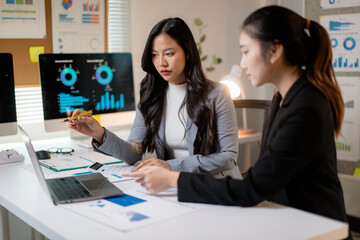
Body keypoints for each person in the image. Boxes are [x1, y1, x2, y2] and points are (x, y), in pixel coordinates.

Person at [123, 6, 351, 238]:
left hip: (316, 226)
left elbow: (252, 187)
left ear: (274, 51)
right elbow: (264, 178)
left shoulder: (305, 107)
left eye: (245, 51)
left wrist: (173, 178)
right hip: (286, 215)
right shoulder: (282, 98)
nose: (242, 64)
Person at [69, 17, 241, 178]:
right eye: (155, 55)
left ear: (187, 53)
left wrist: (170, 166)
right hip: (173, 184)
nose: (161, 63)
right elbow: (134, 152)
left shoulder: (217, 94)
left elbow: (228, 157)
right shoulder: (151, 94)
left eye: (169, 53)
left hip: (215, 184)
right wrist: (99, 133)